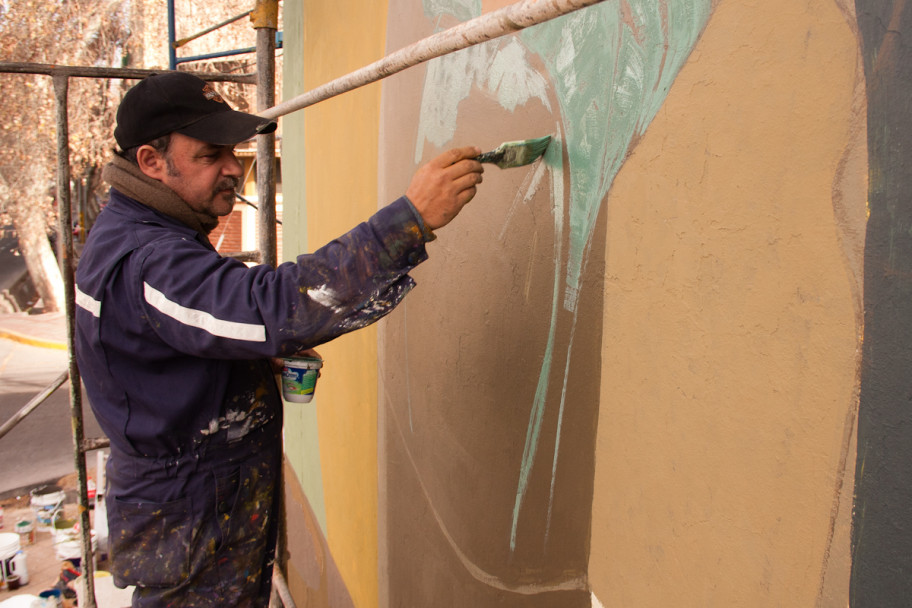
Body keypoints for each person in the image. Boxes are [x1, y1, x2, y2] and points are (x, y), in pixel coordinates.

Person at [74, 71, 483, 607]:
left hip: (201, 507)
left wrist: (243, 362)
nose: (232, 168)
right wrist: (408, 222)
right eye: (209, 155)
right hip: (192, 516)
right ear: (151, 161)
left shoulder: (144, 230)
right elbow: (270, 306)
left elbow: (165, 343)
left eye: (232, 150)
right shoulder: (149, 259)